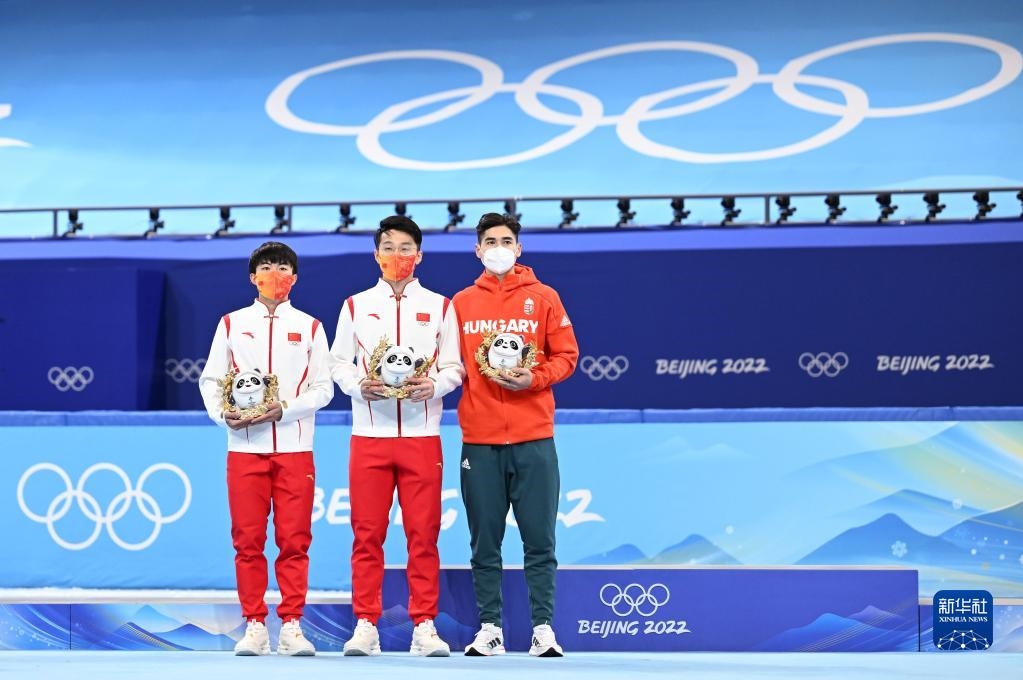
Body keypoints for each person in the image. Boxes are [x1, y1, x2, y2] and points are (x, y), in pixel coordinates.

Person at [330, 215, 464, 657]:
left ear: (419, 255)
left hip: (422, 436)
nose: (397, 255)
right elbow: (337, 363)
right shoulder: (355, 306)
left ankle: (424, 624)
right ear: (376, 255)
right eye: (388, 247)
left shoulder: (441, 306)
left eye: (406, 248)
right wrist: (357, 385)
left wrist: (436, 385)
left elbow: (455, 366)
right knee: (366, 535)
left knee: (423, 535)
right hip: (369, 435)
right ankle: (366, 624)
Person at [198, 241, 333, 657]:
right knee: (248, 540)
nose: (276, 273)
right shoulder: (232, 324)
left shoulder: (310, 327)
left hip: (295, 449)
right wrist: (223, 416)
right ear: (253, 277)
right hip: (244, 449)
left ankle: (292, 624)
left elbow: (323, 389)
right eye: (268, 267)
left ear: (295, 277)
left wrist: (285, 410)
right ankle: (254, 624)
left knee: (294, 540)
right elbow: (211, 380)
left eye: (283, 267)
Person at [453, 213, 578, 658]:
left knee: (540, 541)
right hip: (480, 441)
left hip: (534, 438)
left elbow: (567, 355)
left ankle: (543, 629)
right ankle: (490, 629)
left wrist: (535, 378)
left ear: (519, 248)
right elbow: (450, 365)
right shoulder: (461, 303)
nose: (499, 248)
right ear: (478, 250)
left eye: (506, 240)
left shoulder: (544, 297)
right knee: (484, 543)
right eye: (490, 241)